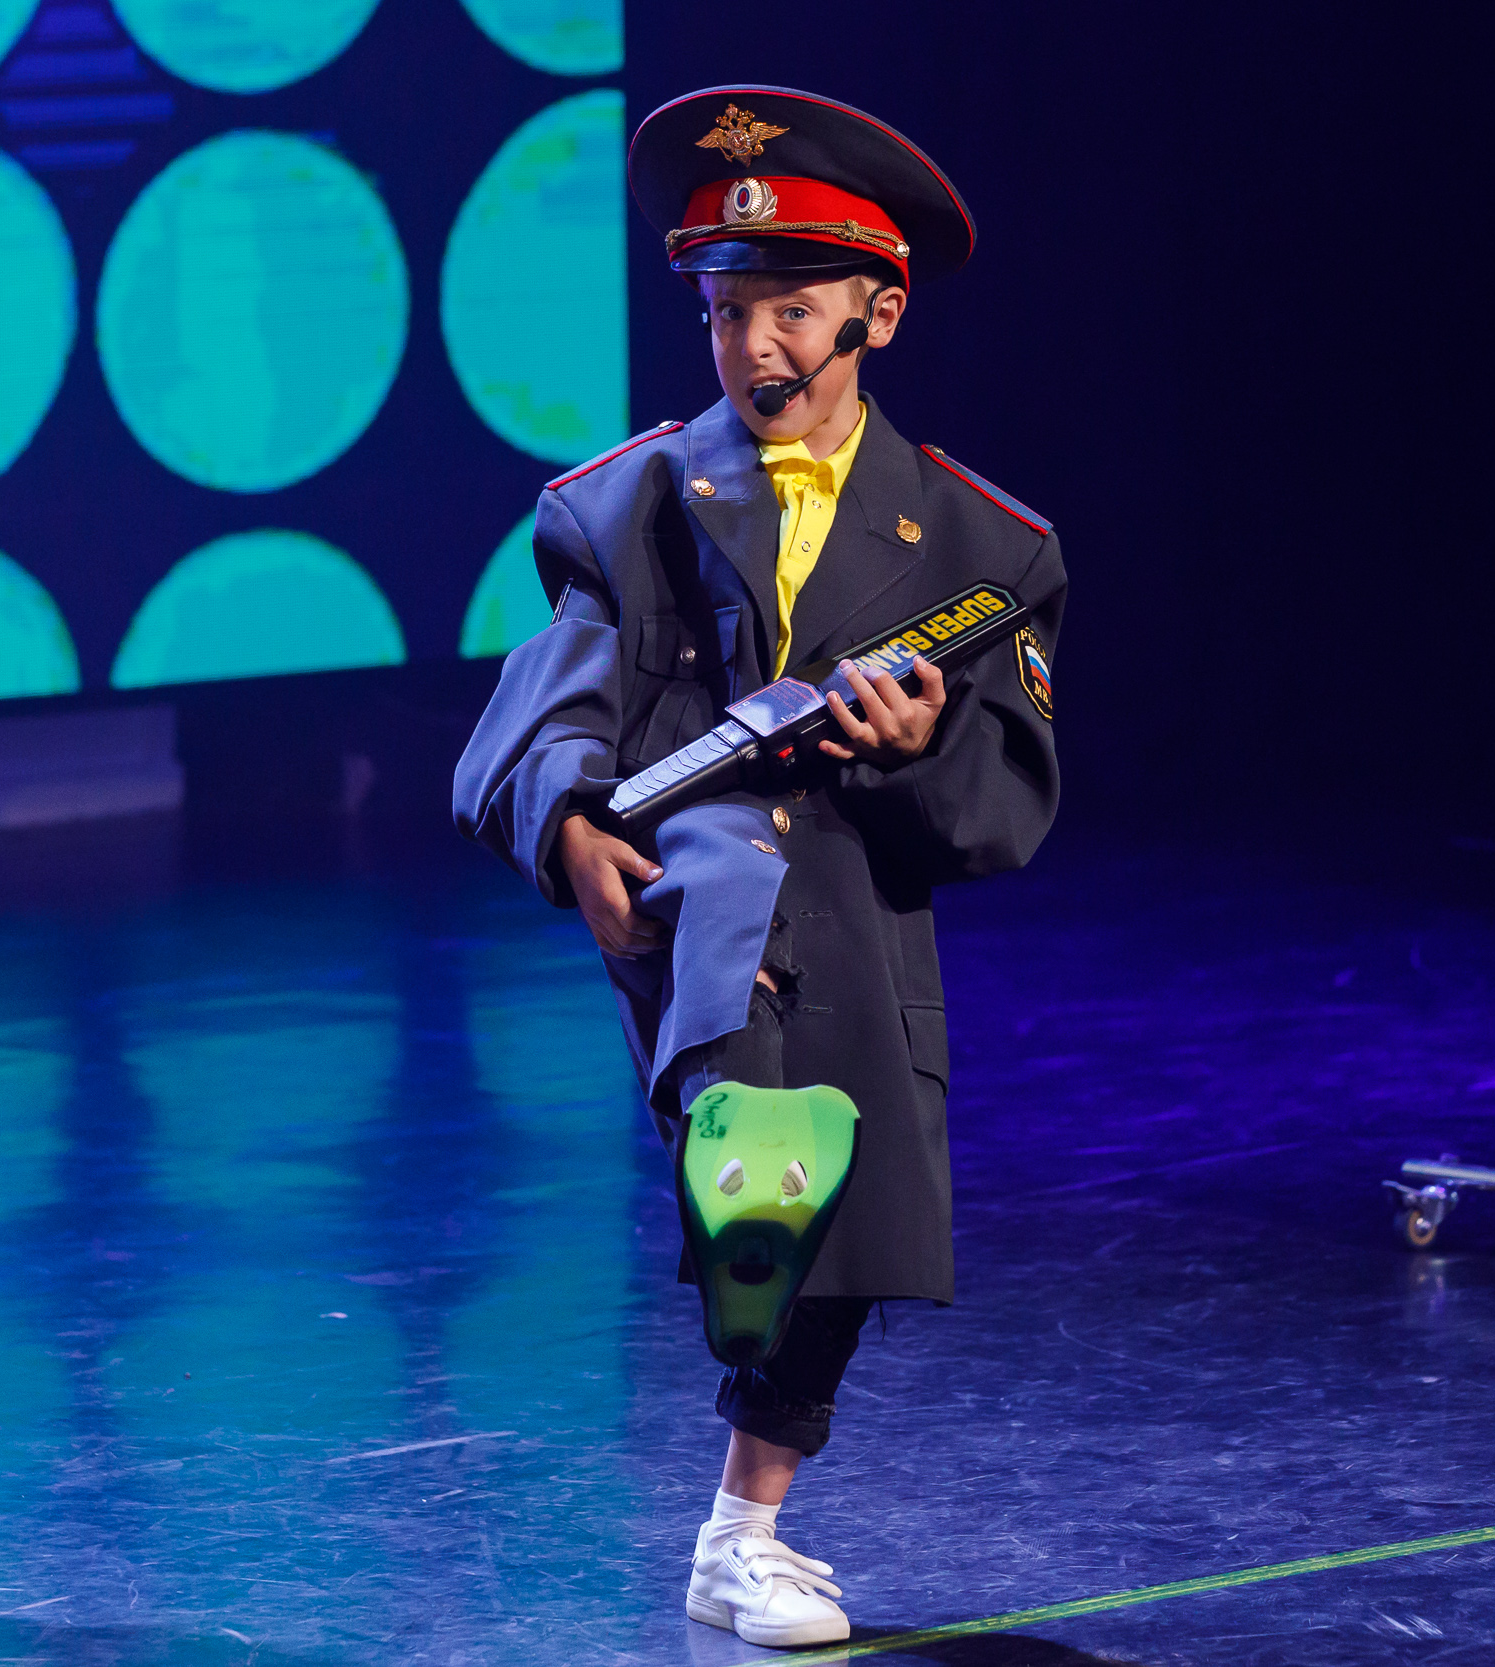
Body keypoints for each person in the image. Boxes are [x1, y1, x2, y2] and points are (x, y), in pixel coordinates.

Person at [453, 85, 1065, 1648]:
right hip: (698, 902)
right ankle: (737, 1148)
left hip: (858, 915)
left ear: (878, 313)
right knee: (772, 1159)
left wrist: (916, 744)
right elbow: (550, 706)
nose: (756, 349)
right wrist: (569, 824)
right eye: (729, 312)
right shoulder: (628, 503)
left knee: (844, 1237)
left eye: (793, 309)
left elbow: (1006, 811)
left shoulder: (985, 553)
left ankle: (743, 1536)